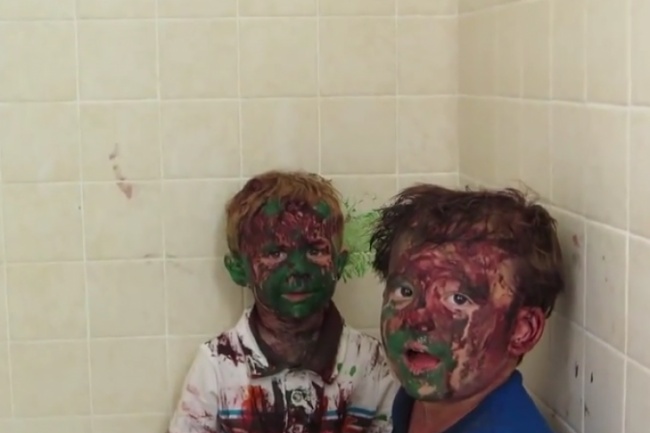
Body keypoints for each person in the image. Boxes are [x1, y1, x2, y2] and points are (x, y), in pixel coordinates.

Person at [168, 170, 399, 433]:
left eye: (315, 250)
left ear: (339, 263)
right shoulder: (217, 366)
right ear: (239, 269)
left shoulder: (371, 364)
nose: (298, 269)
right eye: (275, 253)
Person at [368, 185, 563, 433]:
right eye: (405, 292)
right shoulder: (413, 401)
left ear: (521, 330)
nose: (418, 318)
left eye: (458, 299)